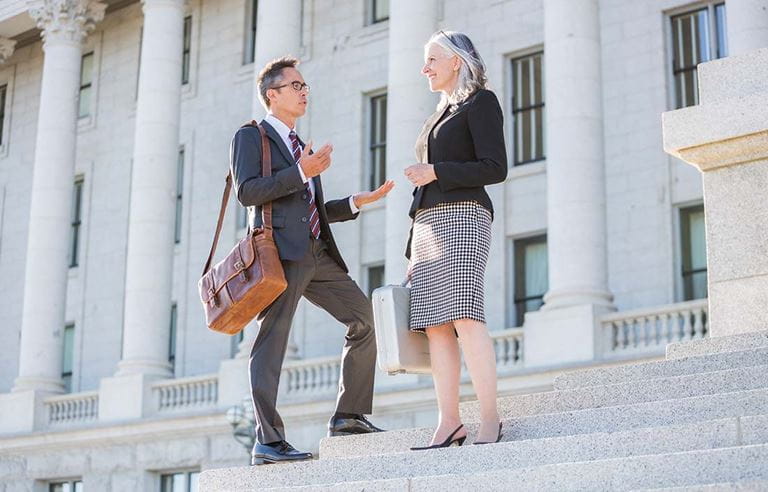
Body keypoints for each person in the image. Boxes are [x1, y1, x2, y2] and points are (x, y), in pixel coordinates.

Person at [230, 56, 394, 465]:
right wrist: (301, 172)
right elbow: (247, 193)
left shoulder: (302, 146)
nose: (305, 92)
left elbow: (312, 209)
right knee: (273, 343)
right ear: (273, 94)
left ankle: (348, 415)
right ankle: (267, 440)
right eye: (296, 86)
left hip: (318, 252)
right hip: (280, 254)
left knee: (366, 319)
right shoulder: (251, 137)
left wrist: (357, 202)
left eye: (305, 86)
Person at [404, 31, 508, 450]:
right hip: (428, 224)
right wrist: (411, 247)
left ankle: (489, 418)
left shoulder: (481, 101)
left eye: (432, 59)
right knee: (434, 326)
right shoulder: (441, 111)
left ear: (456, 61)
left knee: (464, 315)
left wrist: (437, 172)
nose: (424, 68)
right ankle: (449, 423)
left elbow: (495, 166)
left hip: (464, 216)